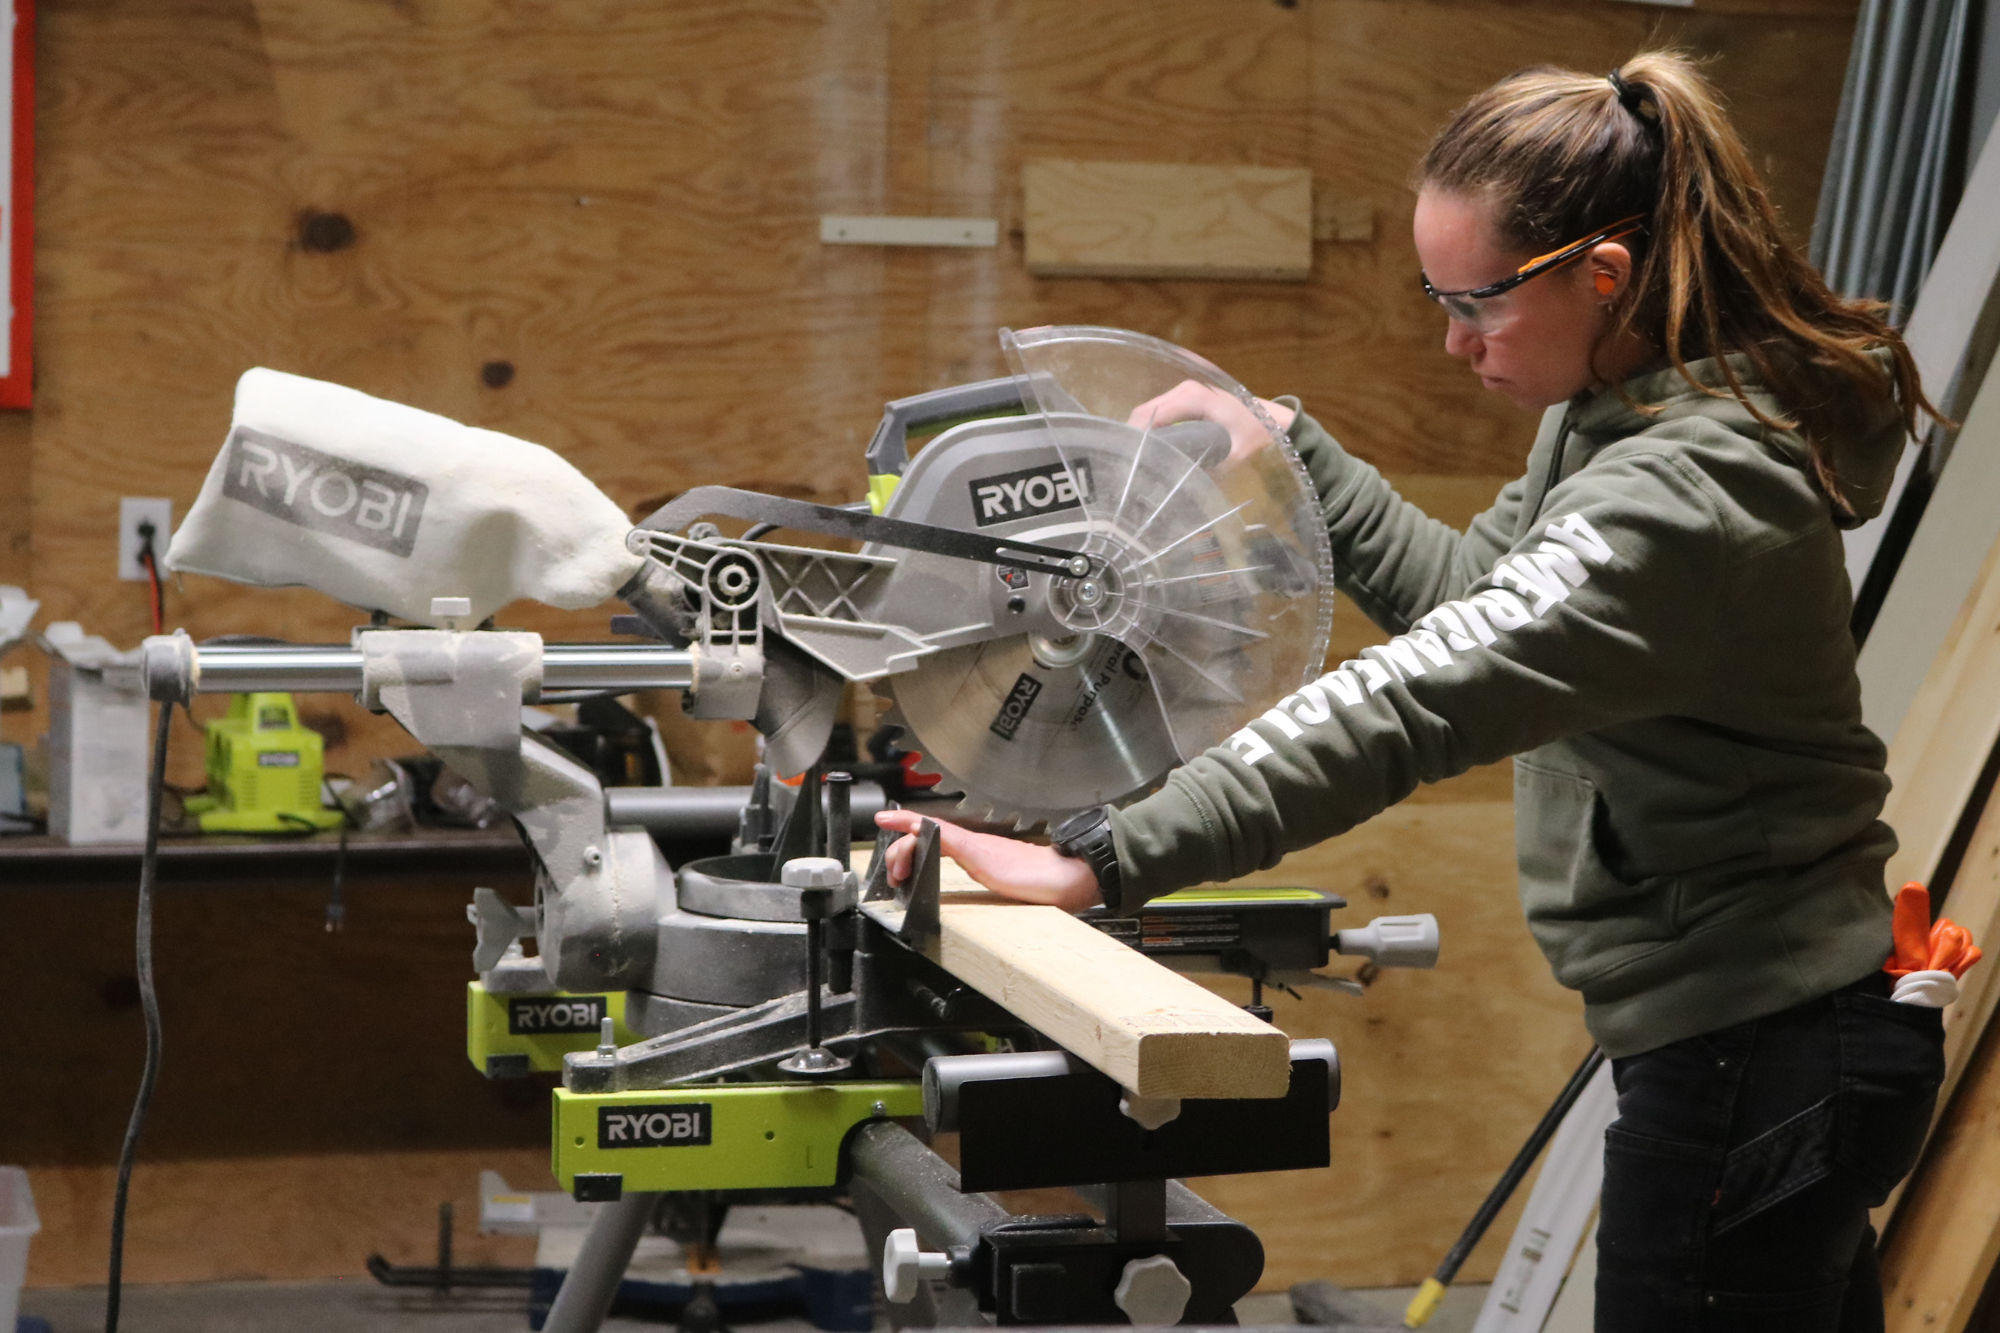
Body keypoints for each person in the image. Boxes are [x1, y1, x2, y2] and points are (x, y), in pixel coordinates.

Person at [876, 50, 1947, 1332]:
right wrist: (1288, 449)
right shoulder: (1617, 410)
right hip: (1762, 1038)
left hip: (1763, 1057)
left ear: (1599, 274)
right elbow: (1473, 594)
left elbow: (1417, 690)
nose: (1450, 342)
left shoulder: (1681, 500)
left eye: (1475, 306)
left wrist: (1102, 855)